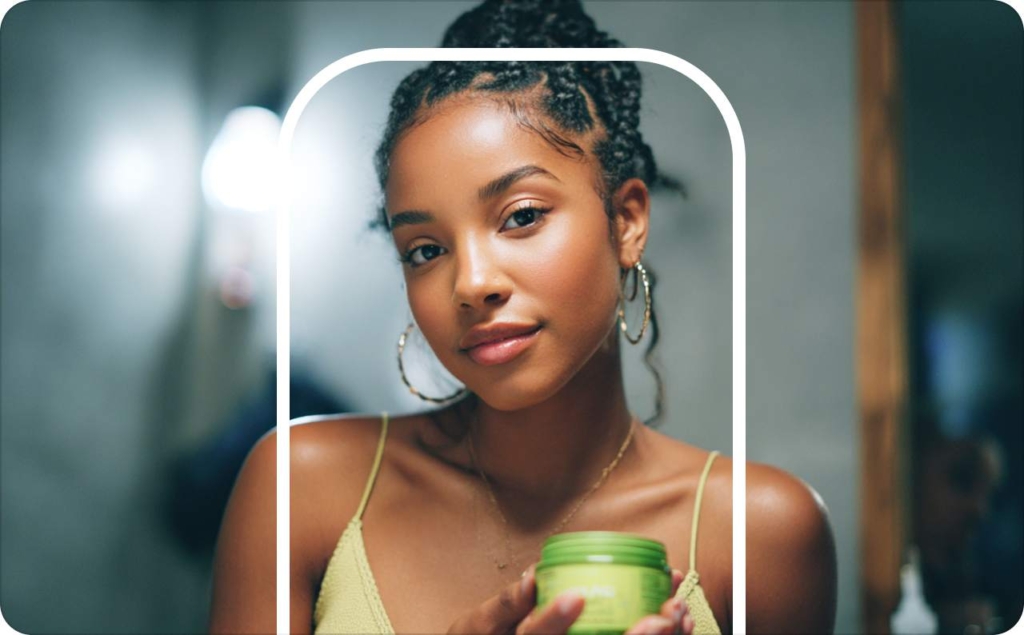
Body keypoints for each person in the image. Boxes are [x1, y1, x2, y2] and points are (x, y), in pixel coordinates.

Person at [208, 1, 837, 633]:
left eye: (522, 216)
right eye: (426, 250)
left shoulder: (761, 534)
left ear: (626, 222)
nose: (472, 283)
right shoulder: (300, 486)